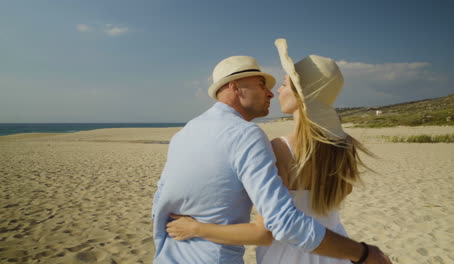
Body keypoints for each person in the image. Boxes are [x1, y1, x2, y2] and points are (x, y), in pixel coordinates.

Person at [152, 40, 392, 264]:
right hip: (333, 250)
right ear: (235, 88)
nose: (273, 91)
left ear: (301, 94)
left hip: (286, 255)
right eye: (262, 84)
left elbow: (270, 230)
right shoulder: (344, 146)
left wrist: (194, 230)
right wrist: (360, 252)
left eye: (284, 84)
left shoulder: (186, 135)